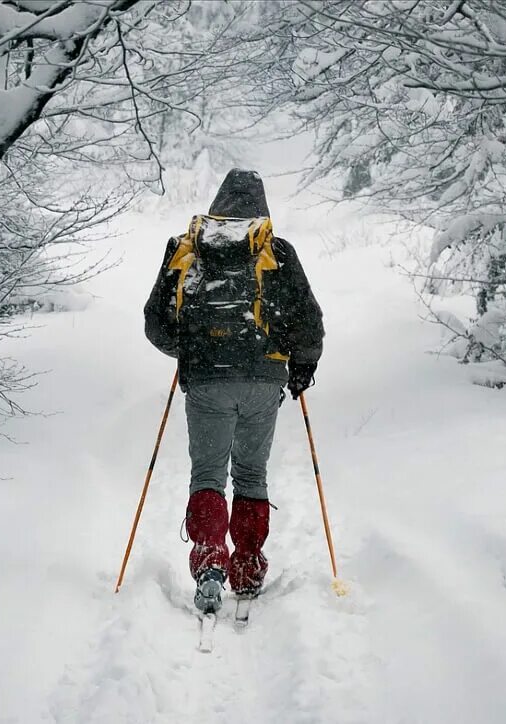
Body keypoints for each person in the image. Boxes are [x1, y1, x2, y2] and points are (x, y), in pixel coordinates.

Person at [144, 169, 324, 613]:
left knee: (207, 475)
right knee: (250, 474)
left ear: (219, 203)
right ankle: (246, 566)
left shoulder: (187, 249)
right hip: (264, 381)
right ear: (261, 209)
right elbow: (309, 321)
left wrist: (188, 350)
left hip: (207, 383)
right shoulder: (277, 251)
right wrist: (302, 366)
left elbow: (155, 322)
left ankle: (209, 564)